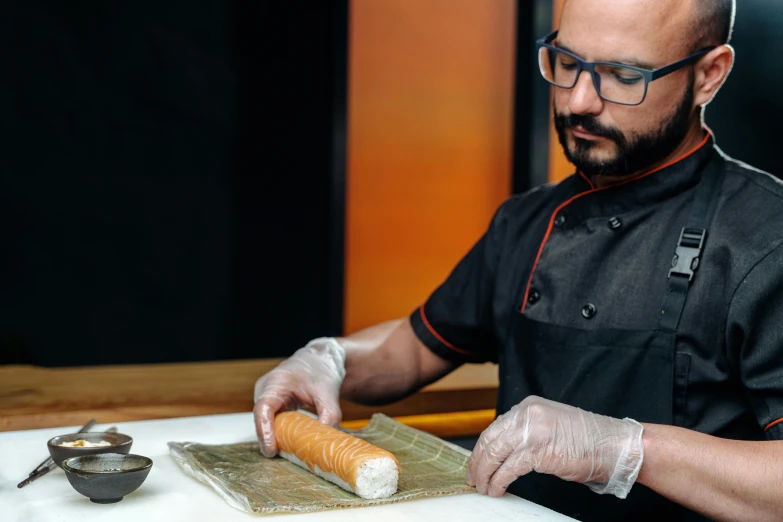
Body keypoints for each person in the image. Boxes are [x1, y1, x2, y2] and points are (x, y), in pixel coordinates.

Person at [253, 0, 783, 520]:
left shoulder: (765, 238)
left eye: (623, 75)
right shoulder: (526, 222)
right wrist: (329, 362)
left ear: (710, 75)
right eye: (568, 63)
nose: (578, 102)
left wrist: (625, 449)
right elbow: (414, 350)